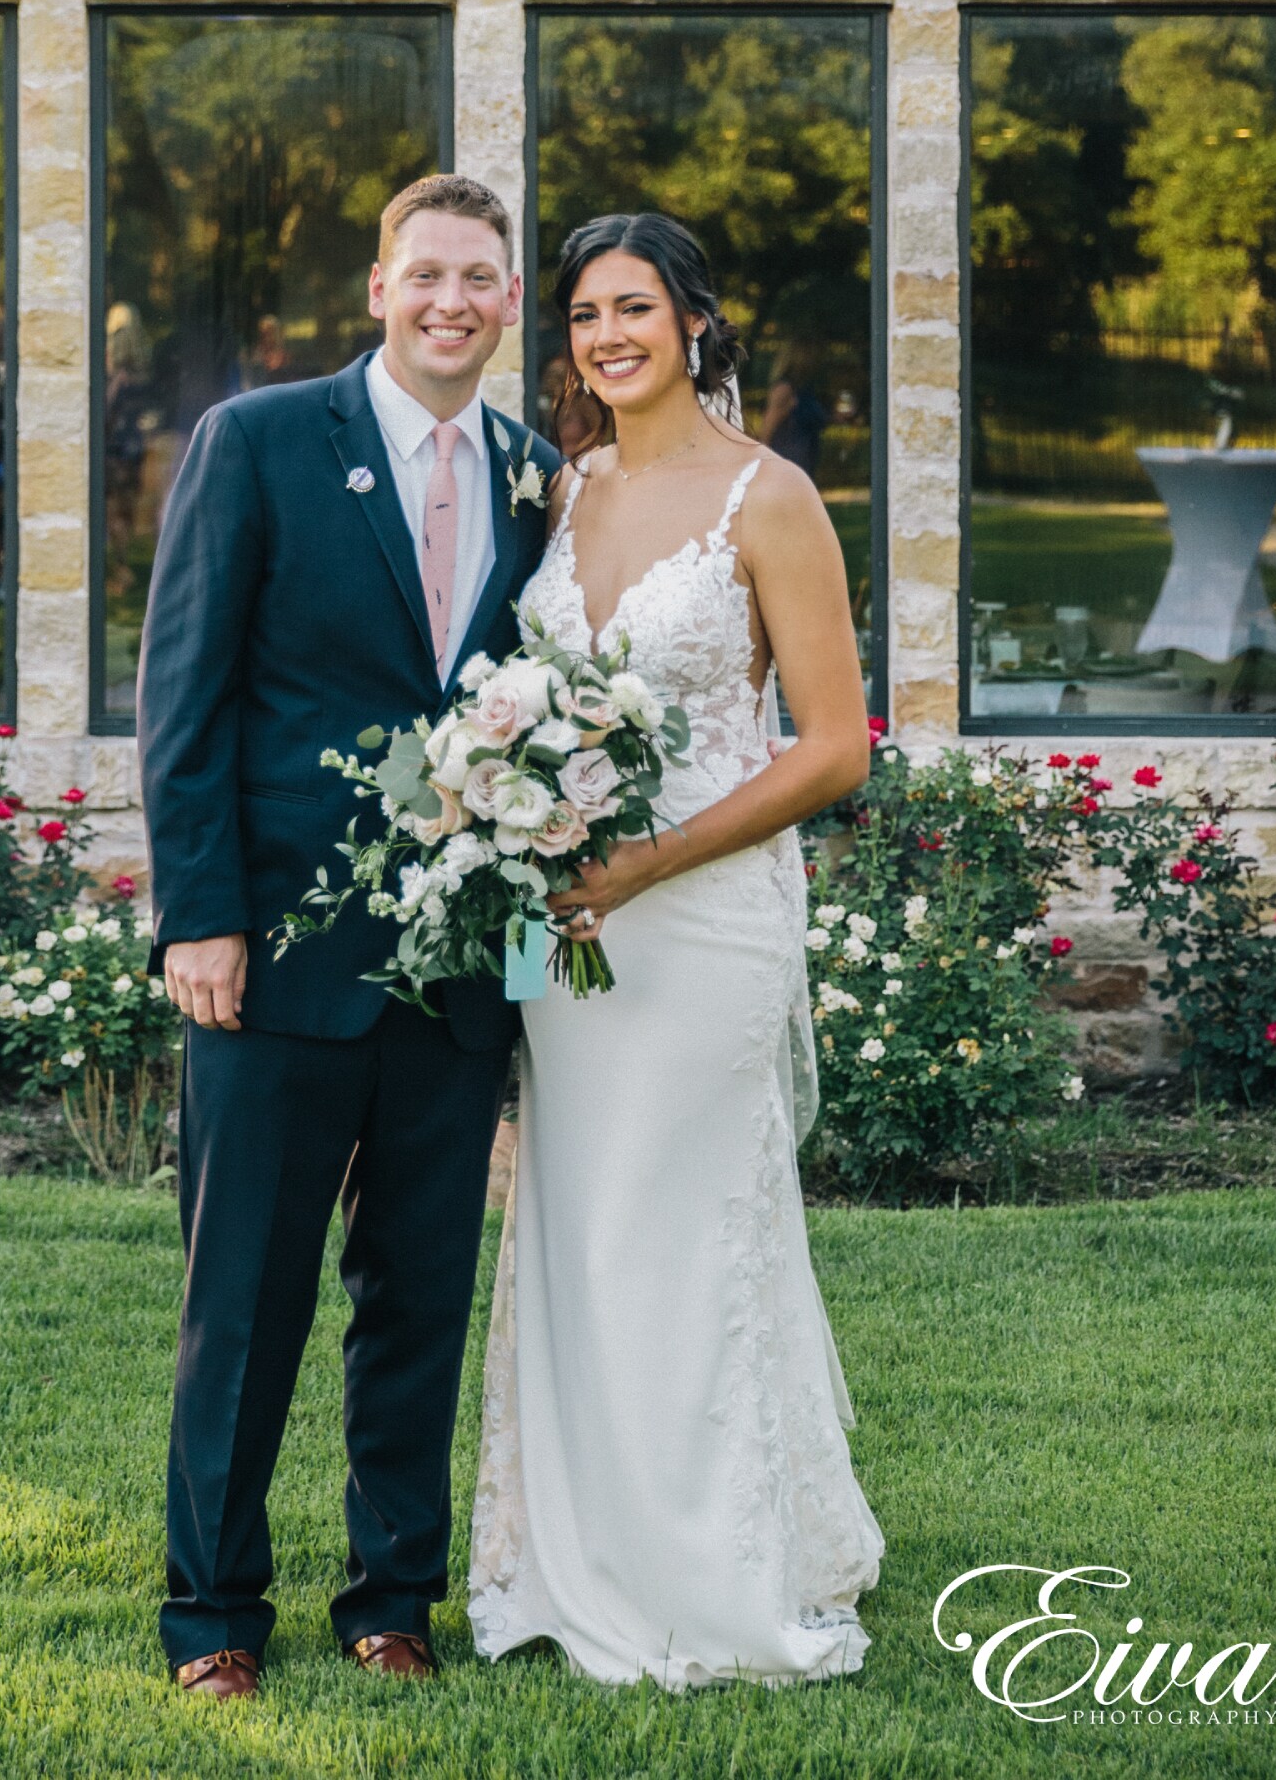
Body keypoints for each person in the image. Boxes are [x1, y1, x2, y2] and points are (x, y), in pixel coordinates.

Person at [139, 174, 560, 1702]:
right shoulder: (255, 442)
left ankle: (392, 1598)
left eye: (481, 280)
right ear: (378, 287)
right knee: (244, 1301)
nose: (453, 302)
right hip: (275, 962)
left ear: (508, 303)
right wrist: (202, 916)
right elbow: (185, 695)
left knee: (419, 1296)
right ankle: (214, 1618)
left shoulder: (532, 475)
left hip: (455, 977)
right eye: (427, 274)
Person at [470, 210, 883, 1688]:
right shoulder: (557, 489)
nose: (607, 336)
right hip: (565, 921)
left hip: (703, 914)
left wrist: (646, 860)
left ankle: (715, 1578)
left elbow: (836, 747)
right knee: (576, 1225)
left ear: (699, 322)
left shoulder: (768, 499)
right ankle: (576, 1557)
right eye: (584, 315)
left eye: (635, 307)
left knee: (683, 1217)